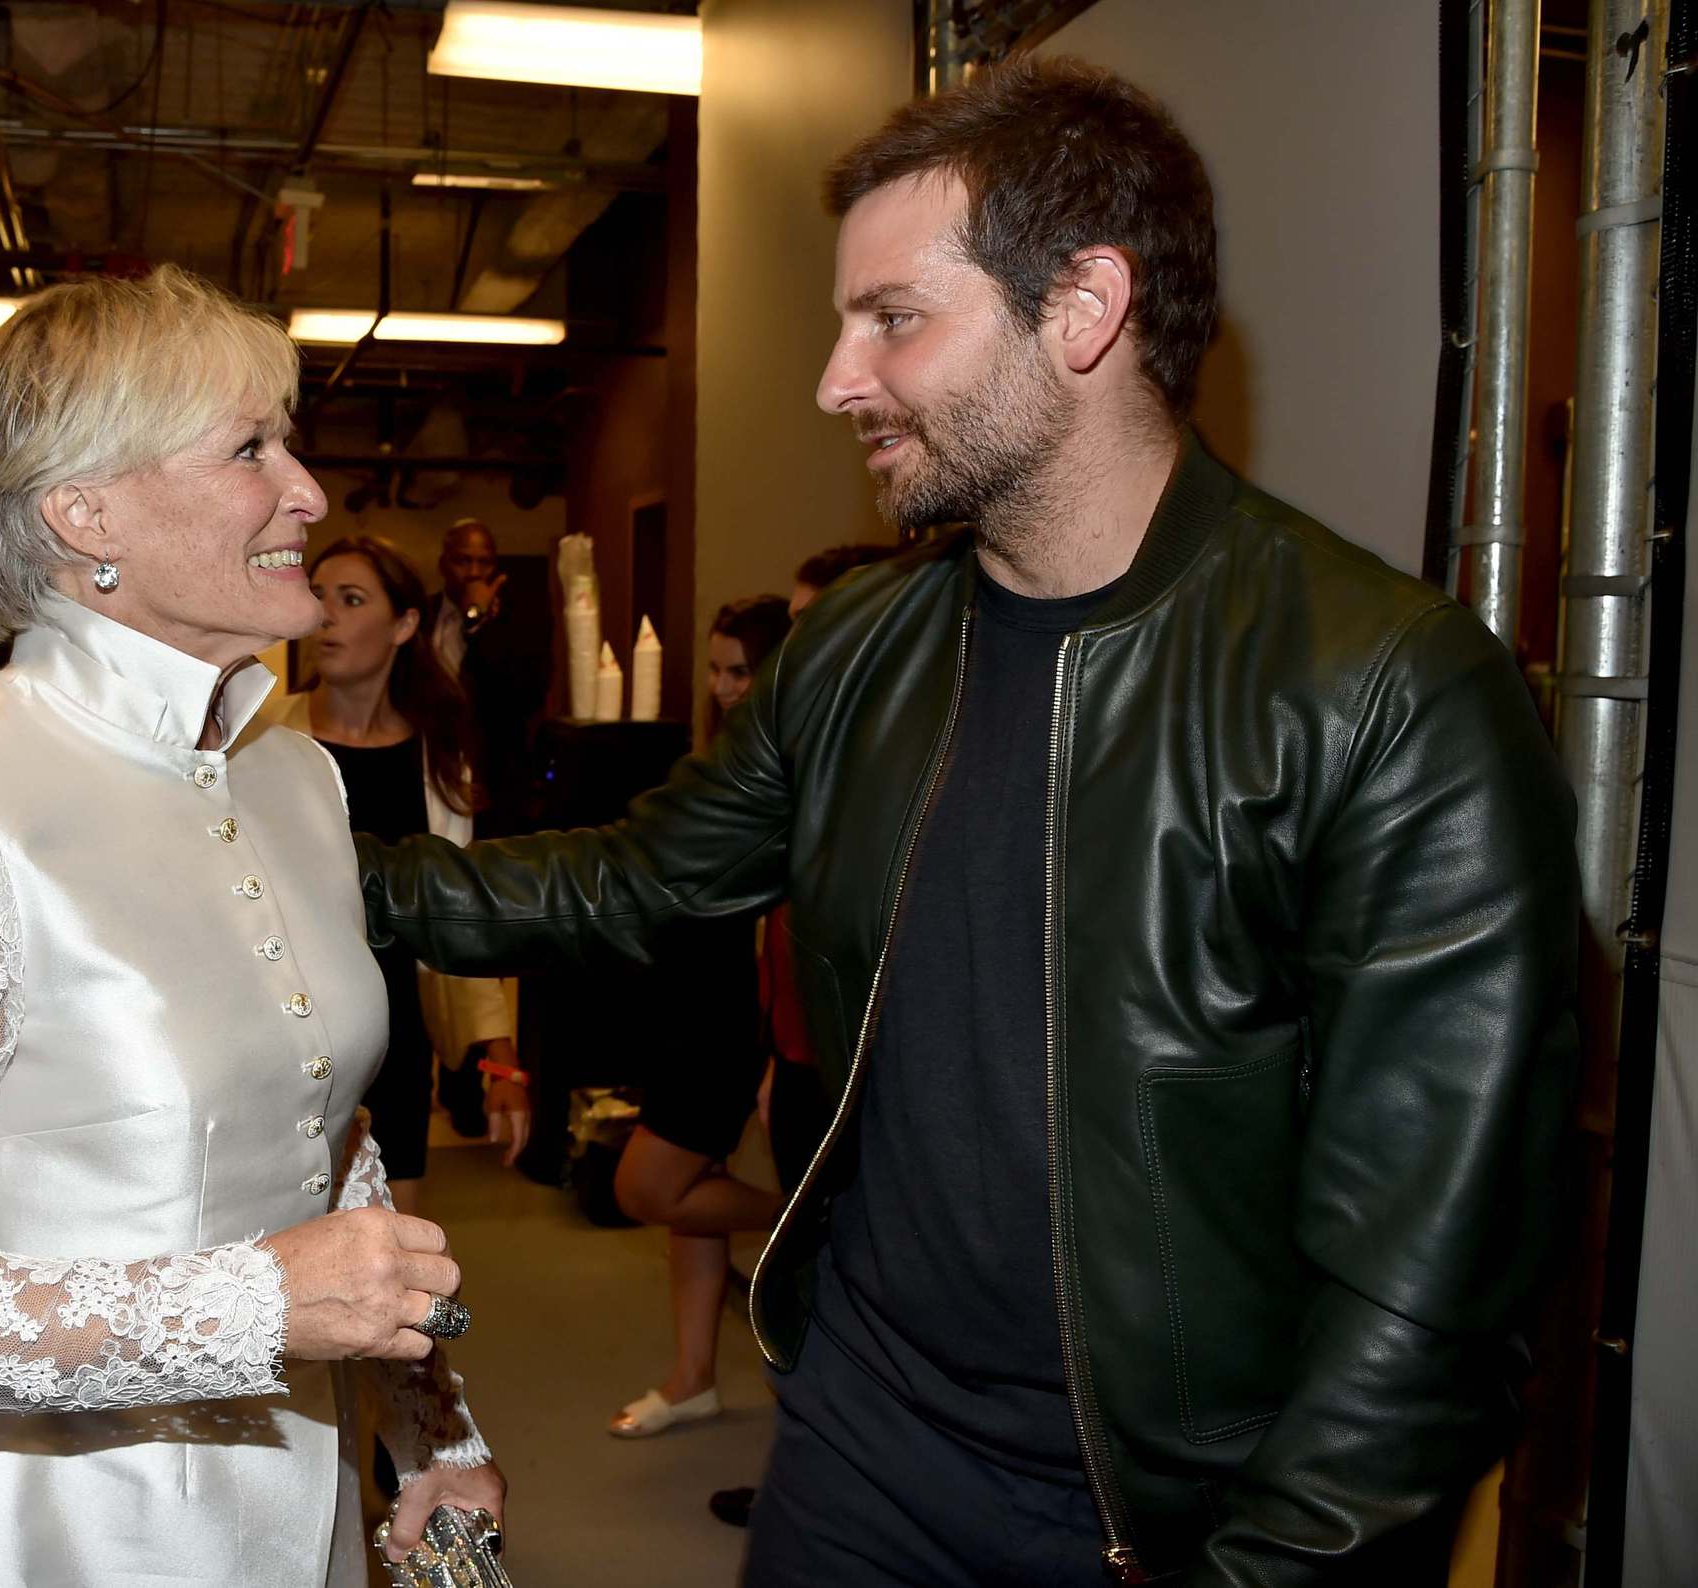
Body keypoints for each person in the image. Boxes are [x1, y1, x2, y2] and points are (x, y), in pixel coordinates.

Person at [352, 55, 1579, 1586]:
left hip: (1170, 1515)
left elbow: (1435, 1283)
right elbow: (639, 880)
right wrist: (309, 875)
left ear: (1083, 309)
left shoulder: (1385, 694)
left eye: (894, 319)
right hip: (865, 1440)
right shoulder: (863, 647)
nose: (835, 379)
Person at [0, 265, 504, 1587]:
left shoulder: (294, 772)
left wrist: (432, 1419)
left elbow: (321, 1144)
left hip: (289, 1479)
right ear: (85, 513)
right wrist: (256, 1307)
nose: (307, 491)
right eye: (252, 447)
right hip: (37, 1531)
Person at [709, 545, 896, 1530]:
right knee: (808, 1288)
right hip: (802, 1062)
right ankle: (805, 1471)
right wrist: (781, 1065)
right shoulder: (801, 754)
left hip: (870, 1082)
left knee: (859, 1295)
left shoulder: (899, 761)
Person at [261, 535, 531, 1211]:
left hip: (393, 1027)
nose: (326, 615)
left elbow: (460, 910)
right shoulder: (263, 739)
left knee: (397, 1242)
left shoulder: (438, 760)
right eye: (317, 595)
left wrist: (499, 1055)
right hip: (284, 1025)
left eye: (351, 600)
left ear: (404, 624)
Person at [607, 594, 791, 1441]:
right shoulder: (724, 761)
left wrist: (770, 1056)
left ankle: (811, 1222)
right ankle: (693, 1379)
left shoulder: (792, 769)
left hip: (728, 1027)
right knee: (685, 1211)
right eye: (715, 670)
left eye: (739, 670)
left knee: (646, 1188)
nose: (722, 687)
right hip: (688, 1013)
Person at [427, 517, 550, 837]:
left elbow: (525, 696)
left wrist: (478, 622)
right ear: (443, 563)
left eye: (484, 562)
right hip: (431, 767)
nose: (474, 572)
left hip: (499, 781)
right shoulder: (420, 615)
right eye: (463, 560)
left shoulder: (518, 620)